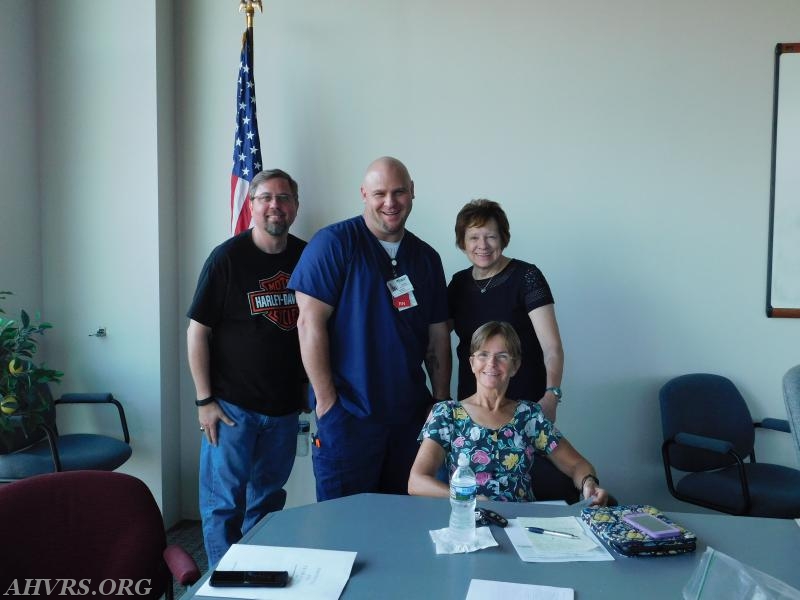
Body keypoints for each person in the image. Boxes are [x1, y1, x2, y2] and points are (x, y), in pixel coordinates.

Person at [289, 156, 451, 501]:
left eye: (398, 192)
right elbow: (308, 323)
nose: (390, 202)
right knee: (345, 527)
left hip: (411, 419)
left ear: (412, 192)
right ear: (364, 194)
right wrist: (328, 403)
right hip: (349, 416)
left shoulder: (426, 258)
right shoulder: (334, 244)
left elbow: (438, 338)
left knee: (405, 523)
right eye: (380, 193)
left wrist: (439, 404)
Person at [187, 168, 306, 566]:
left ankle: (258, 573)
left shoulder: (308, 255)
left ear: (295, 206)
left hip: (285, 409)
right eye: (266, 198)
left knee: (268, 501)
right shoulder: (227, 258)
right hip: (232, 408)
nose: (276, 205)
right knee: (224, 504)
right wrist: (205, 400)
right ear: (251, 205)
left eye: (284, 198)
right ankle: (223, 581)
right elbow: (197, 332)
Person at [408, 321, 608, 504]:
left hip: (522, 527)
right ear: (472, 363)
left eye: (502, 356)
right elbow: (416, 482)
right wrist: (469, 498)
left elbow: (577, 465)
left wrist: (589, 483)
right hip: (467, 522)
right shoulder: (446, 414)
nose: (491, 363)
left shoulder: (529, 415)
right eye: (483, 355)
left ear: (515, 366)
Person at [448, 199, 565, 423]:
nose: (482, 245)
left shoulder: (527, 277)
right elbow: (436, 335)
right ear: (462, 242)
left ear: (503, 238)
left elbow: (552, 347)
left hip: (524, 402)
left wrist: (551, 396)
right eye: (473, 237)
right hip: (473, 404)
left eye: (491, 236)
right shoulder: (458, 284)